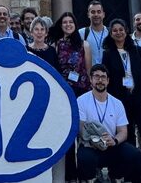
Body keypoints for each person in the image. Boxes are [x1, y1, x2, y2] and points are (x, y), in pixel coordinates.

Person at [75, 64, 141, 183]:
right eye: (96, 77)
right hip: (90, 145)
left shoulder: (117, 103)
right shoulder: (81, 101)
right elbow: (81, 128)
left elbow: (123, 132)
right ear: (91, 79)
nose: (100, 80)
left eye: (103, 77)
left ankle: (115, 175)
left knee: (133, 154)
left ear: (108, 80)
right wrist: (95, 140)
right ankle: (92, 178)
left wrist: (114, 140)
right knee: (84, 158)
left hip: (111, 145)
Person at [101, 18, 141, 143]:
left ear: (126, 31)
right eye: (115, 31)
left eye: (121, 29)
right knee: (127, 136)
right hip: (120, 101)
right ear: (111, 34)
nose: (118, 32)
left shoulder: (139, 51)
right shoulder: (108, 54)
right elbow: (106, 77)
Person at [50, 11, 91, 181]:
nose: (68, 25)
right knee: (67, 135)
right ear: (61, 25)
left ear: (75, 25)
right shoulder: (57, 44)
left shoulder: (84, 44)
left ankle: (85, 173)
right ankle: (70, 174)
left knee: (82, 134)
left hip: (81, 92)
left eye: (71, 22)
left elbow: (88, 70)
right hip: (64, 93)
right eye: (64, 22)